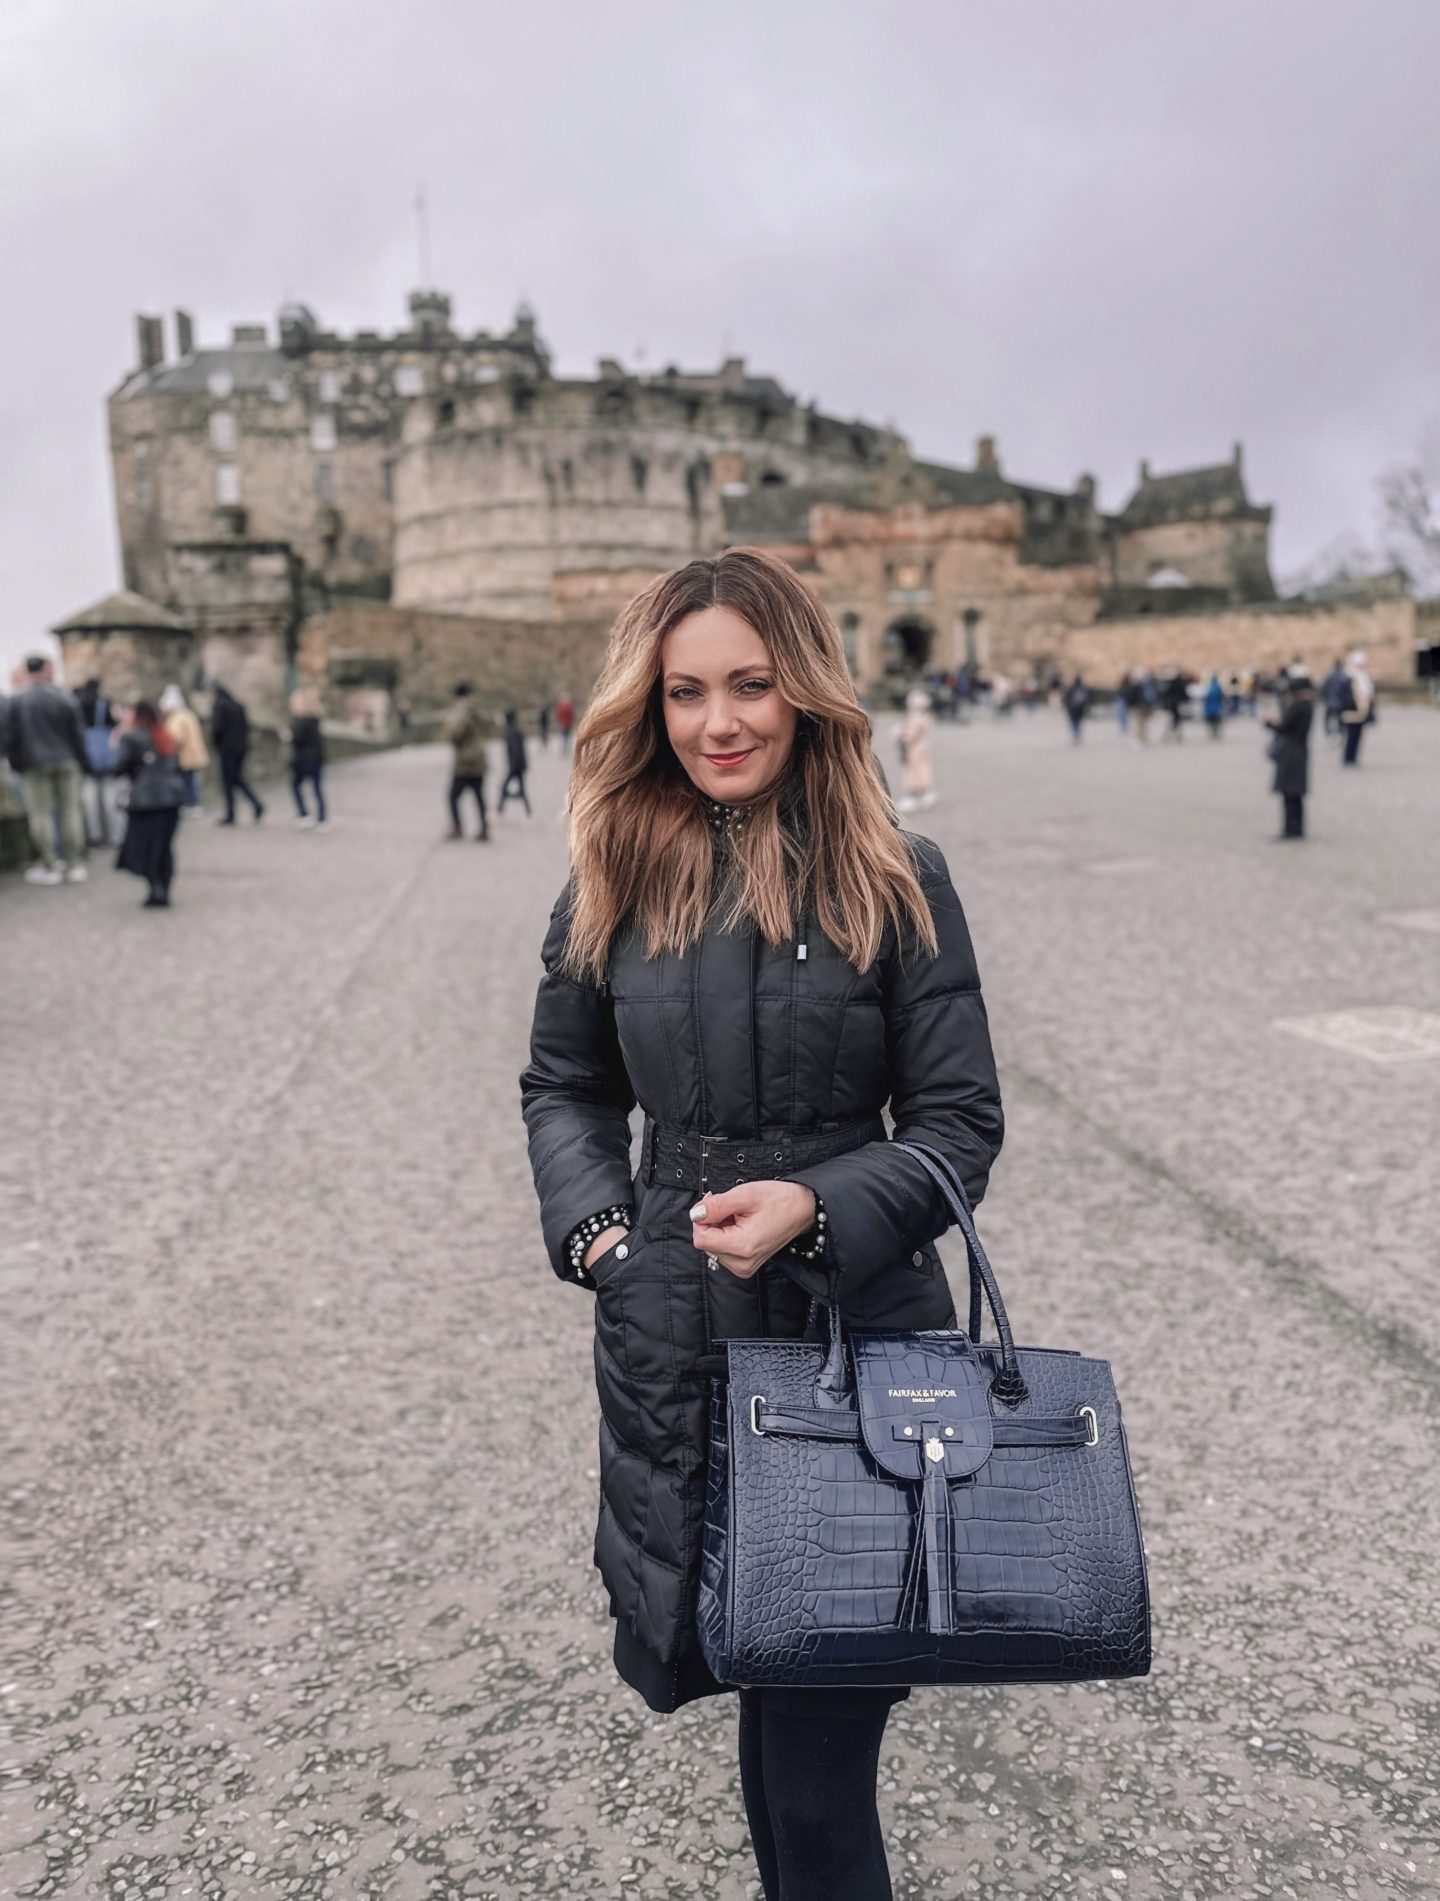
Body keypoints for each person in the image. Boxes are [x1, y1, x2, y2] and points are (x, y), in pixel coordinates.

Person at [519, 547, 1004, 1901]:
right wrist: (604, 1239)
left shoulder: (897, 872)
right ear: (649, 704)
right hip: (674, 1340)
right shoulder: (610, 868)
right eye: (685, 692)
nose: (718, 721)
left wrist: (821, 1201)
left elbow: (962, 1128)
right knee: (756, 1688)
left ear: (806, 691)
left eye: (750, 684)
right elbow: (564, 1084)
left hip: (858, 1340)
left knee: (818, 1756)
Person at [5, 654, 89, 886]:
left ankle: (50, 864)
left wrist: (17, 763)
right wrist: (82, 761)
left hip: (34, 764)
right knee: (70, 811)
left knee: (40, 814)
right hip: (66, 761)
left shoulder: (18, 701)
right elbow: (77, 734)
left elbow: (10, 737)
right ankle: (74, 863)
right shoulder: (64, 698)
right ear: (44, 669)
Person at [113, 700, 186, 905]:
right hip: (172, 798)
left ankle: (156, 887)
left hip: (146, 801)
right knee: (164, 847)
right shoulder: (166, 736)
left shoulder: (132, 737)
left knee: (145, 847)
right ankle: (164, 887)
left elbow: (119, 767)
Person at [1265, 664, 1314, 840]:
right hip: (1298, 752)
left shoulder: (1298, 706)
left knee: (1289, 794)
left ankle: (1290, 828)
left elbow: (1284, 727)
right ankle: (1296, 827)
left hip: (1291, 753)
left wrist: (1270, 723)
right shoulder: (1307, 705)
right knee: (1295, 795)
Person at [210, 683, 264, 825]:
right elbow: (247, 727)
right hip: (241, 748)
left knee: (229, 782)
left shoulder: (220, 705)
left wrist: (215, 744)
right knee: (236, 778)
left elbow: (217, 728)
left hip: (227, 749)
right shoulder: (238, 706)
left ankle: (231, 814)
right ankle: (255, 803)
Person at [76, 678, 120, 845]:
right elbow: (114, 723)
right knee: (109, 797)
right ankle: (114, 834)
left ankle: (95, 835)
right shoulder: (104, 704)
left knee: (90, 799)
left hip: (87, 756)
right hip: (104, 755)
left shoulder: (78, 704)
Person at [159, 684, 210, 810]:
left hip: (185, 755)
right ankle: (192, 803)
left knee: (187, 781)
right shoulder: (188, 714)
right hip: (192, 754)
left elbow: (176, 738)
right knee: (191, 781)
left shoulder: (177, 718)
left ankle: (190, 804)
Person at [285, 689, 327, 829]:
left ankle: (304, 815)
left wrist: (289, 737)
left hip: (304, 759)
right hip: (316, 758)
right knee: (317, 788)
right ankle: (321, 818)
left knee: (296, 785)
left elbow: (298, 739)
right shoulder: (314, 719)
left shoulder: (302, 721)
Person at [896, 684, 935, 810]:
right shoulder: (923, 717)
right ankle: (923, 793)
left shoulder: (918, 718)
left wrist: (901, 734)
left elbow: (912, 734)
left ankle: (914, 795)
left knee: (915, 773)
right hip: (919, 749)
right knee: (921, 771)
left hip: (915, 750)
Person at [1338, 650, 1375, 767]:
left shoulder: (1363, 677)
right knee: (1350, 735)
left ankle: (1353, 757)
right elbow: (1344, 696)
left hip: (1361, 711)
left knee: (1357, 736)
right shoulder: (1348, 677)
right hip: (1351, 711)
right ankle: (1348, 758)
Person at [498, 708, 531, 817]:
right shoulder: (516, 730)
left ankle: (499, 812)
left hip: (515, 766)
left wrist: (513, 766)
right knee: (521, 790)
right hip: (520, 765)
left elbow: (516, 751)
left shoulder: (510, 732)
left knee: (503, 788)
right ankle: (528, 814)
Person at [1320, 656, 1348, 739]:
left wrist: (1325, 698)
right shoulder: (1344, 676)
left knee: (1328, 719)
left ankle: (1328, 733)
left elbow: (1323, 688)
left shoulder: (1330, 675)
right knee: (1340, 719)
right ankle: (1341, 733)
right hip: (1340, 702)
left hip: (1330, 701)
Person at [1063, 673, 1090, 743]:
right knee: (1078, 722)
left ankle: (1075, 733)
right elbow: (1087, 699)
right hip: (1080, 708)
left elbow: (1066, 698)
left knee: (1073, 722)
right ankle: (1078, 733)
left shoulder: (1071, 688)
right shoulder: (1083, 688)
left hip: (1072, 708)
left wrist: (1067, 706)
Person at [1202, 671, 1225, 739]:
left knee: (1210, 721)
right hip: (1216, 707)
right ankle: (1216, 732)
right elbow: (1221, 697)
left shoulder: (1208, 687)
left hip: (1209, 707)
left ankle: (1212, 732)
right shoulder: (1218, 687)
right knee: (1216, 721)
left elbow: (1205, 697)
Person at [555, 690, 575, 754]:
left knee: (564, 737)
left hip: (564, 724)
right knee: (566, 737)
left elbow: (558, 715)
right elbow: (572, 715)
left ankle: (564, 749)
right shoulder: (568, 706)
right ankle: (566, 748)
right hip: (566, 723)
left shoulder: (561, 706)